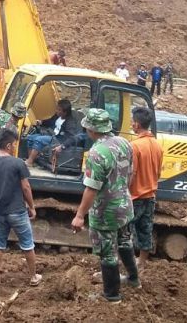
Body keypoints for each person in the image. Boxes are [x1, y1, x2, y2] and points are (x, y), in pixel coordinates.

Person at [71, 109, 138, 303]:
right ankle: (133, 278)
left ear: (91, 129)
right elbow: (131, 173)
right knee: (125, 242)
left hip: (106, 212)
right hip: (125, 205)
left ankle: (112, 295)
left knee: (107, 252)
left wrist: (79, 215)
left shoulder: (96, 152)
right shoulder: (125, 143)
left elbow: (91, 189)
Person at [0, 128, 42, 289]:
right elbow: (26, 187)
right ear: (9, 145)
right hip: (18, 211)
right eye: (15, 144)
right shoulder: (18, 163)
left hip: (0, 212)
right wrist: (31, 206)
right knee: (27, 244)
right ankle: (33, 276)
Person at [128, 107, 162, 270]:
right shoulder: (157, 145)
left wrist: (124, 192)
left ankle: (123, 264)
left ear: (136, 124)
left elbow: (132, 173)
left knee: (122, 232)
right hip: (150, 195)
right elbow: (158, 172)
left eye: (132, 121)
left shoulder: (135, 146)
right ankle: (141, 263)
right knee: (145, 230)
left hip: (135, 197)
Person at [25, 99, 79, 167]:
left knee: (39, 139)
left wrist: (62, 146)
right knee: (30, 137)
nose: (57, 111)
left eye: (59, 110)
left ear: (65, 112)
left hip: (58, 139)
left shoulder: (70, 122)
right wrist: (41, 122)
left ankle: (30, 161)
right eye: (57, 109)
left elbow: (71, 136)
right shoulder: (57, 116)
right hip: (50, 134)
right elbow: (50, 121)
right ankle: (33, 159)